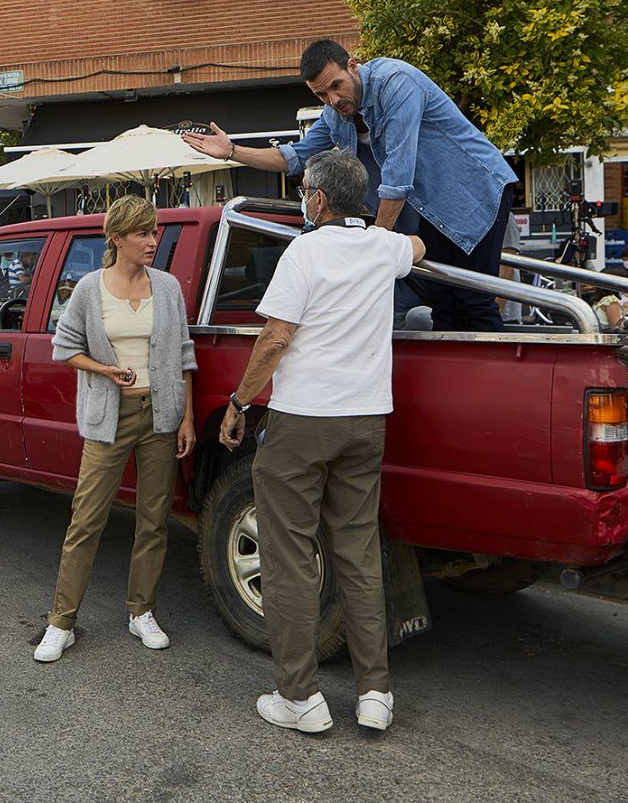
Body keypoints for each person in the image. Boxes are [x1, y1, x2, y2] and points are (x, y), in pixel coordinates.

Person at [218, 149, 425, 734]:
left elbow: (275, 338)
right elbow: (417, 248)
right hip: (367, 419)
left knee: (289, 557)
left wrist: (238, 403)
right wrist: (398, 240)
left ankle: (300, 697)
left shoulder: (303, 252)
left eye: (303, 190)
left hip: (304, 420)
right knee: (358, 552)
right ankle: (375, 692)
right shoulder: (383, 248)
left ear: (318, 199)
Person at [182, 40, 515, 331]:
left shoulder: (396, 83)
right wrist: (232, 151)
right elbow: (295, 157)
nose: (333, 99)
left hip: (476, 190)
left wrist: (374, 246)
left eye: (336, 86)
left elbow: (398, 178)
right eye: (321, 94)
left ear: (353, 66)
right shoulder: (335, 115)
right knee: (442, 302)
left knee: (474, 300)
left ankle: (496, 383)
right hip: (431, 208)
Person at [35, 195, 197, 663]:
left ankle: (141, 611)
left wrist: (186, 417)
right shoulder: (90, 289)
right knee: (86, 519)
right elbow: (64, 348)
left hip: (161, 415)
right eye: (143, 233)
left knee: (154, 519)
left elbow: (183, 354)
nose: (153, 240)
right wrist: (104, 370)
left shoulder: (167, 287)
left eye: (153, 231)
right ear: (117, 238)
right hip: (110, 416)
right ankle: (61, 621)